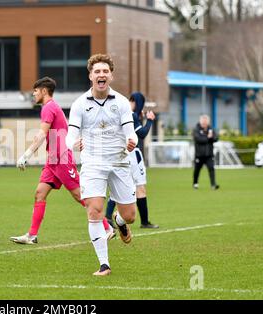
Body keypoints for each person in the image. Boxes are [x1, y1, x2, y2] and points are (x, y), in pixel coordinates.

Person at [10, 77, 114, 244]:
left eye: (35, 91)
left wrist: (26, 155)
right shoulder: (49, 107)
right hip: (52, 160)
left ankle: (107, 228)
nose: (34, 94)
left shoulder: (49, 107)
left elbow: (42, 134)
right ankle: (32, 235)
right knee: (39, 194)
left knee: (81, 195)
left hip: (61, 158)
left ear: (44, 91)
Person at [66, 54, 138, 276]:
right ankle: (104, 264)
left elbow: (130, 131)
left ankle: (118, 219)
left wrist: (131, 141)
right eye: (97, 71)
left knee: (130, 216)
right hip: (93, 162)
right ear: (90, 76)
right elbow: (70, 136)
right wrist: (74, 144)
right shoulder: (79, 104)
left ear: (111, 75)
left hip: (119, 161)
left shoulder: (122, 102)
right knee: (94, 210)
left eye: (105, 71)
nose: (101, 75)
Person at [105, 92, 159, 229]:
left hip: (118, 154)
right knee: (140, 187)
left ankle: (107, 217)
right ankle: (144, 222)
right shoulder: (132, 115)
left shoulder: (119, 113)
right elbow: (142, 134)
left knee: (118, 185)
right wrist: (150, 120)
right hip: (132, 154)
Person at [193, 114, 219, 190]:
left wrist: (212, 137)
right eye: (203, 122)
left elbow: (216, 138)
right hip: (199, 155)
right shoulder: (196, 130)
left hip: (209, 154)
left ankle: (213, 185)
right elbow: (199, 139)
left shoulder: (211, 129)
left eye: (206, 122)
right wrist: (208, 137)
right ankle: (195, 183)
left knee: (211, 169)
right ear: (200, 122)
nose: (204, 123)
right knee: (197, 170)